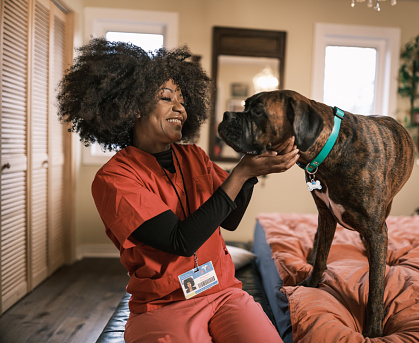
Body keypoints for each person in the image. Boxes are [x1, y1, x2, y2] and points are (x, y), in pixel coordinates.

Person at [57, 38, 299, 343]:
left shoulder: (194, 156)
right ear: (132, 108)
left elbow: (230, 220)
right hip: (165, 304)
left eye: (182, 99)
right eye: (167, 98)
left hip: (224, 293)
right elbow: (179, 241)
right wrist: (242, 172)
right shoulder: (114, 178)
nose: (180, 107)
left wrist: (250, 170)